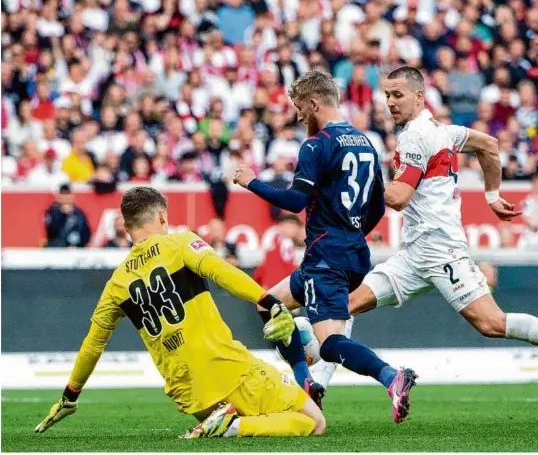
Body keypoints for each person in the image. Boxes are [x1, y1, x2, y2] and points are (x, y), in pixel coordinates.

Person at [312, 66, 538, 390]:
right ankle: (317, 387)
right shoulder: (445, 131)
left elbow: (399, 198)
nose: (390, 102)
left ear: (419, 97)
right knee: (344, 305)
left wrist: (350, 180)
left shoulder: (416, 136)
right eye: (387, 95)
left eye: (398, 95)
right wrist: (491, 195)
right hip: (413, 254)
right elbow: (489, 145)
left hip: (441, 250)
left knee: (491, 323)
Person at [34, 187, 325, 439]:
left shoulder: (116, 284)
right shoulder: (179, 243)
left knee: (259, 418)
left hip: (192, 397)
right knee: (314, 421)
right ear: (162, 217)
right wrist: (268, 299)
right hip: (229, 371)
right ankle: (234, 427)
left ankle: (227, 423)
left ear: (126, 226)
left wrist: (70, 396)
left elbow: (92, 345)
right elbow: (223, 272)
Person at [234, 70, 417, 424]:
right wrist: (351, 232)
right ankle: (305, 382)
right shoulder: (365, 142)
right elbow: (378, 205)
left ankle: (391, 377)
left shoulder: (317, 145)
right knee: (268, 304)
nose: (299, 116)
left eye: (301, 108)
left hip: (325, 258)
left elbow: (294, 201)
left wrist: (251, 182)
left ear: (314, 104)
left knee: (330, 345)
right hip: (349, 253)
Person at [44, 183, 91, 248]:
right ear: (59, 197)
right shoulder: (52, 212)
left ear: (72, 196)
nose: (65, 198)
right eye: (63, 194)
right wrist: (63, 214)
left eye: (67, 194)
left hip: (76, 248)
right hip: (57, 248)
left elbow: (86, 233)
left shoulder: (79, 213)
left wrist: (78, 244)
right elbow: (52, 232)